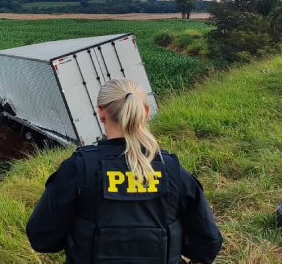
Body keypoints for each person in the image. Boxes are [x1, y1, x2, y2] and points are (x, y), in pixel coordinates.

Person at [26, 78, 222, 264]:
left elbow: (42, 236)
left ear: (101, 112)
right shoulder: (172, 169)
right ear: (145, 112)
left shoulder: (79, 167)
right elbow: (208, 242)